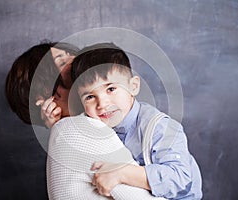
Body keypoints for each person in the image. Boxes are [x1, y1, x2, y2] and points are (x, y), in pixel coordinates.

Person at [5, 42, 166, 200]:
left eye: (70, 54)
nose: (76, 58)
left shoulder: (66, 133)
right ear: (44, 95)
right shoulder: (80, 129)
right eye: (62, 61)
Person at [69, 42, 203, 199]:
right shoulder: (94, 126)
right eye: (90, 97)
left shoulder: (159, 127)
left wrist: (122, 172)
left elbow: (180, 178)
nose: (102, 104)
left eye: (111, 89)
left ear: (133, 86)